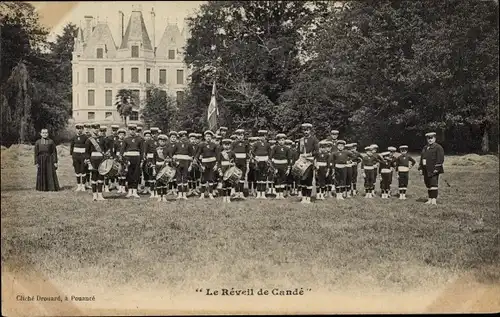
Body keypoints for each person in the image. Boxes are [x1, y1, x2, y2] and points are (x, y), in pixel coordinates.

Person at [418, 132, 444, 205]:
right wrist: (420, 168)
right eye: (428, 138)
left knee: (433, 184)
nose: (430, 140)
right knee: (428, 184)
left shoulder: (438, 147)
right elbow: (422, 158)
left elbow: (440, 158)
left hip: (433, 169)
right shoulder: (425, 147)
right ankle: (429, 199)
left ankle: (434, 199)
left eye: (431, 138)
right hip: (426, 169)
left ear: (435, 138)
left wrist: (437, 168)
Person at [84, 123, 108, 201]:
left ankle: (100, 195)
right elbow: (87, 152)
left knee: (101, 177)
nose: (96, 130)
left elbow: (106, 150)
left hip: (101, 159)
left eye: (97, 128)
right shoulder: (89, 140)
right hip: (93, 159)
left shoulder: (103, 139)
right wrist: (89, 163)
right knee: (94, 177)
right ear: (92, 129)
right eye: (94, 128)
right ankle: (94, 195)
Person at [120, 123, 144, 198]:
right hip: (128, 158)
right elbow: (122, 150)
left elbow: (142, 151)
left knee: (136, 174)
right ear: (128, 130)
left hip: (137, 158)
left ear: (136, 130)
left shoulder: (140, 139)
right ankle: (130, 191)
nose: (132, 131)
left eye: (133, 130)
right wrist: (124, 160)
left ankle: (135, 191)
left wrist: (141, 160)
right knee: (129, 174)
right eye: (131, 130)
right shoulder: (126, 139)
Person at [298, 123, 319, 204]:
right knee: (302, 179)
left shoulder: (314, 139)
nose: (306, 132)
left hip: (310, 161)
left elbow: (317, 151)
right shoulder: (301, 140)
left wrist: (310, 155)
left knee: (309, 179)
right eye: (304, 130)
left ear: (310, 130)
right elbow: (298, 151)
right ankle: (303, 197)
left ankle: (308, 198)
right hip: (302, 160)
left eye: (307, 130)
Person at [196, 130, 219, 199]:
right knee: (203, 179)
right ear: (205, 137)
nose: (208, 137)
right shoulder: (201, 145)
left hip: (212, 164)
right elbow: (198, 154)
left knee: (211, 179)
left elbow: (217, 155)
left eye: (209, 136)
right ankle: (202, 194)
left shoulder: (214, 145)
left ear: (211, 137)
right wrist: (199, 164)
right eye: (207, 136)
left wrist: (216, 165)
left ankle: (211, 194)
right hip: (204, 164)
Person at [251, 130, 271, 199]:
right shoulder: (256, 144)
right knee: (258, 177)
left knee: (264, 177)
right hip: (258, 161)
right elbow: (252, 151)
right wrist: (255, 157)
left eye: (263, 136)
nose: (262, 137)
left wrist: (268, 158)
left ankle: (263, 194)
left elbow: (270, 152)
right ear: (259, 137)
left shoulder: (267, 144)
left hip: (265, 161)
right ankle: (259, 193)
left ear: (265, 136)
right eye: (261, 136)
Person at [173, 130, 194, 200]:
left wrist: (190, 165)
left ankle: (184, 194)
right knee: (178, 178)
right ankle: (179, 194)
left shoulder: (189, 144)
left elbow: (191, 156)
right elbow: (172, 154)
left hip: (186, 163)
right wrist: (175, 162)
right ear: (179, 137)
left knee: (185, 178)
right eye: (182, 136)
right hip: (178, 163)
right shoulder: (176, 144)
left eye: (185, 136)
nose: (183, 137)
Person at [270, 133, 291, 200]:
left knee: (283, 180)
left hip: (284, 166)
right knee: (277, 179)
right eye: (280, 140)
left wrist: (288, 168)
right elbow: (271, 157)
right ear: (277, 141)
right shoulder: (275, 148)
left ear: (285, 140)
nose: (281, 141)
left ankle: (281, 194)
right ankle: (277, 194)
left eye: (282, 140)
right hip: (276, 166)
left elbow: (289, 159)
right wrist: (274, 167)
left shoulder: (287, 148)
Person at [69, 123, 88, 192]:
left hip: (83, 156)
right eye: (78, 129)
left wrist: (86, 157)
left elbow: (87, 147)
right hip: (75, 156)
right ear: (76, 129)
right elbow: (72, 147)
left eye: (80, 129)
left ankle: (83, 186)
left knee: (83, 170)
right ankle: (78, 186)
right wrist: (72, 156)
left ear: (82, 129)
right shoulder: (73, 137)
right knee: (77, 171)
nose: (79, 130)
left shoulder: (85, 137)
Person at [232, 129, 249, 199]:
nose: (240, 137)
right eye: (238, 135)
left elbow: (248, 154)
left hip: (243, 163)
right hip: (236, 163)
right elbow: (231, 153)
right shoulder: (234, 143)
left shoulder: (246, 143)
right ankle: (236, 193)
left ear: (244, 136)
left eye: (241, 135)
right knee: (236, 177)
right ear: (236, 136)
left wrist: (247, 164)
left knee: (242, 177)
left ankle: (241, 193)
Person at [218, 139, 236, 203]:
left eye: (228, 145)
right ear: (223, 145)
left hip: (230, 170)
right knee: (224, 184)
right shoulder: (221, 153)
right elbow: (219, 163)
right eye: (225, 145)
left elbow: (235, 162)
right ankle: (224, 197)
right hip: (223, 170)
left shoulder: (232, 153)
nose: (227, 146)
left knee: (229, 184)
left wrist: (233, 165)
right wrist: (220, 171)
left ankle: (228, 198)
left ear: (230, 145)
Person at [155, 134, 169, 202]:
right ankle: (158, 196)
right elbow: (154, 159)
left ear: (165, 142)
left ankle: (164, 196)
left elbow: (170, 157)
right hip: (158, 166)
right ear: (158, 141)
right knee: (158, 181)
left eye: (163, 141)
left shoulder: (167, 149)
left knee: (164, 181)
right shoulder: (156, 149)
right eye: (160, 141)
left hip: (165, 166)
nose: (162, 142)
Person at [114, 128, 128, 193]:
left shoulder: (126, 142)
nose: (121, 136)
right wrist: (115, 158)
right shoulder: (116, 142)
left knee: (124, 173)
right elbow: (114, 151)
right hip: (118, 158)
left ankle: (124, 187)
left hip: (124, 157)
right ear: (118, 135)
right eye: (120, 134)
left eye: (123, 134)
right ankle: (120, 187)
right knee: (119, 173)